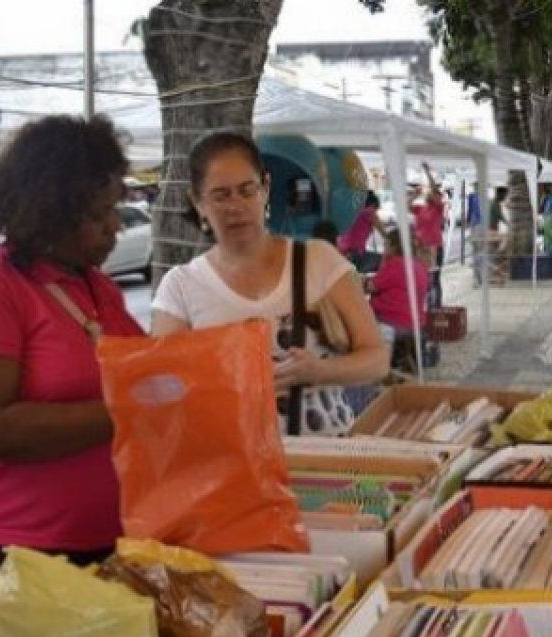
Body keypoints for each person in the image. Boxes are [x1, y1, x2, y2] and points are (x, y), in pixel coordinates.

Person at [0, 114, 144, 604]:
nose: (113, 226)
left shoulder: (97, 288)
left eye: (115, 208)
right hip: (9, 551)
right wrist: (133, 407)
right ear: (48, 212)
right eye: (97, 214)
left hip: (105, 541)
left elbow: (141, 375)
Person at [151, 130, 388, 436]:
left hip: (325, 465)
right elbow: (164, 388)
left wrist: (320, 371)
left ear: (265, 188)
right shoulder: (180, 287)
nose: (236, 206)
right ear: (197, 202)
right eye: (221, 195)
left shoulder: (319, 259)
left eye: (247, 190)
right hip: (235, 469)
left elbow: (377, 360)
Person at [367, 227, 429, 344]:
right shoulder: (418, 264)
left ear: (393, 246)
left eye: (386, 245)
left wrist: (384, 259)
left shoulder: (395, 265)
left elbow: (371, 286)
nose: (383, 248)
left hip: (394, 323)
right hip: (417, 324)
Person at [410, 162, 445, 309]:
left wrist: (427, 172)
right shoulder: (421, 208)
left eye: (433, 193)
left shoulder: (438, 208)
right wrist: (414, 195)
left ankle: (435, 306)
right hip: (420, 248)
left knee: (434, 278)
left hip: (434, 248)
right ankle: (423, 306)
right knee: (421, 277)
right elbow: (407, 205)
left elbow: (435, 190)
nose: (429, 193)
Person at [338, 190, 385, 272]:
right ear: (373, 205)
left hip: (343, 249)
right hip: (354, 251)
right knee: (382, 261)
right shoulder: (369, 212)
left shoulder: (356, 211)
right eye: (376, 209)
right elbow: (383, 232)